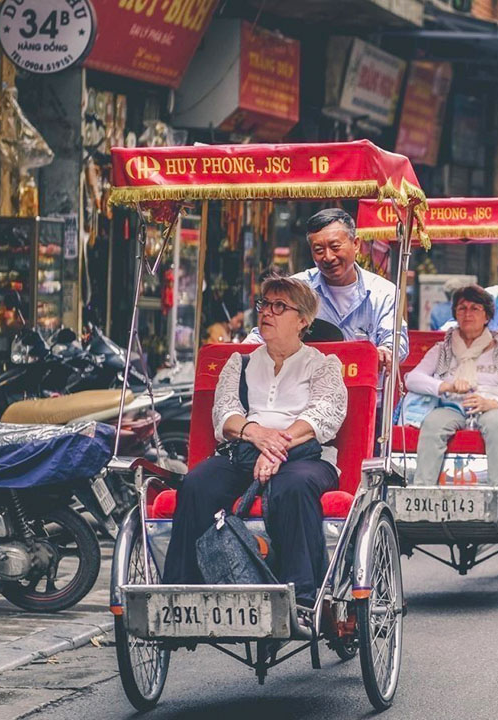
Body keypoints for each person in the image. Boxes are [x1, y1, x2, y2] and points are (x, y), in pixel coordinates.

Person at [164, 275, 347, 606]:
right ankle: (183, 593)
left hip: (305, 457)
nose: (267, 312)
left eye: (280, 307)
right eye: (265, 304)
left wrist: (276, 448)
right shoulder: (241, 362)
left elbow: (323, 415)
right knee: (196, 484)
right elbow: (226, 415)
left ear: (302, 321)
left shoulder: (323, 365)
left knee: (294, 487)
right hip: (245, 451)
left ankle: (301, 597)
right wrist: (257, 436)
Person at [406, 285, 498, 490]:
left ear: (487, 316)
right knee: (433, 422)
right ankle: (422, 492)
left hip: (493, 408)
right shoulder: (443, 348)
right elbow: (412, 379)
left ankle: (497, 494)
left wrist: (493, 403)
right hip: (453, 406)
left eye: (475, 308)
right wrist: (446, 386)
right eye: (462, 308)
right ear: (455, 313)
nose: (467, 314)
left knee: (497, 425)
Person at [248, 208, 407, 366]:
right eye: (319, 250)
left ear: (356, 244)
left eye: (335, 247)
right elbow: (264, 333)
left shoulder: (384, 292)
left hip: (364, 387)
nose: (328, 257)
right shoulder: (295, 288)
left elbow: (396, 342)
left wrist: (385, 351)